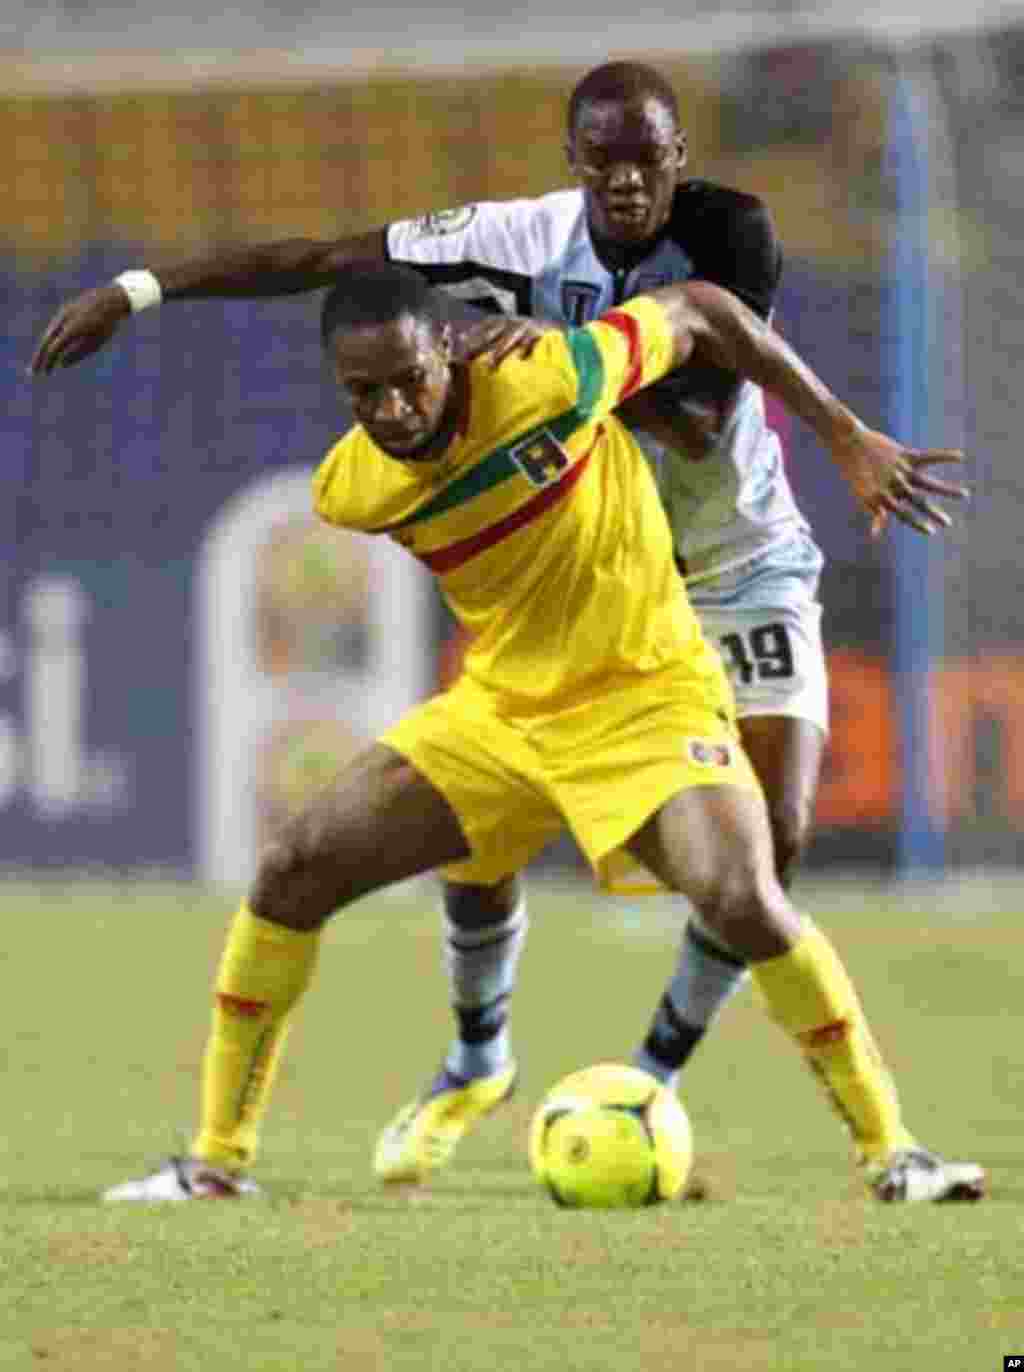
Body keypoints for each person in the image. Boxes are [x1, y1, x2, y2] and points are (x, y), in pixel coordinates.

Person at [32, 62, 967, 1189]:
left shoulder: (589, 350)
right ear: (568, 163)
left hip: (707, 588)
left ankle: (835, 1130)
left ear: (678, 159)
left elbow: (705, 358)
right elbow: (326, 261)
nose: (390, 411)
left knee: (763, 860)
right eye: (363, 394)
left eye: (646, 161)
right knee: (303, 863)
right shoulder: (353, 484)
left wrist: (839, 432)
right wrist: (140, 290)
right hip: (510, 697)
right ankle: (269, 1141)